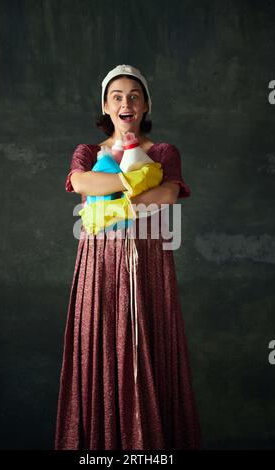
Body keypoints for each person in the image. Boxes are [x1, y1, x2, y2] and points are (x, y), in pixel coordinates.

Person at [55, 64, 202, 450]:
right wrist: (137, 180)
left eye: (134, 96)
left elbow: (168, 195)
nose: (126, 103)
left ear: (146, 105)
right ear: (105, 106)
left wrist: (110, 198)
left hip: (149, 261)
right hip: (98, 264)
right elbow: (81, 182)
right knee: (100, 346)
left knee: (148, 349)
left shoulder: (164, 151)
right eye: (117, 96)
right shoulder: (88, 152)